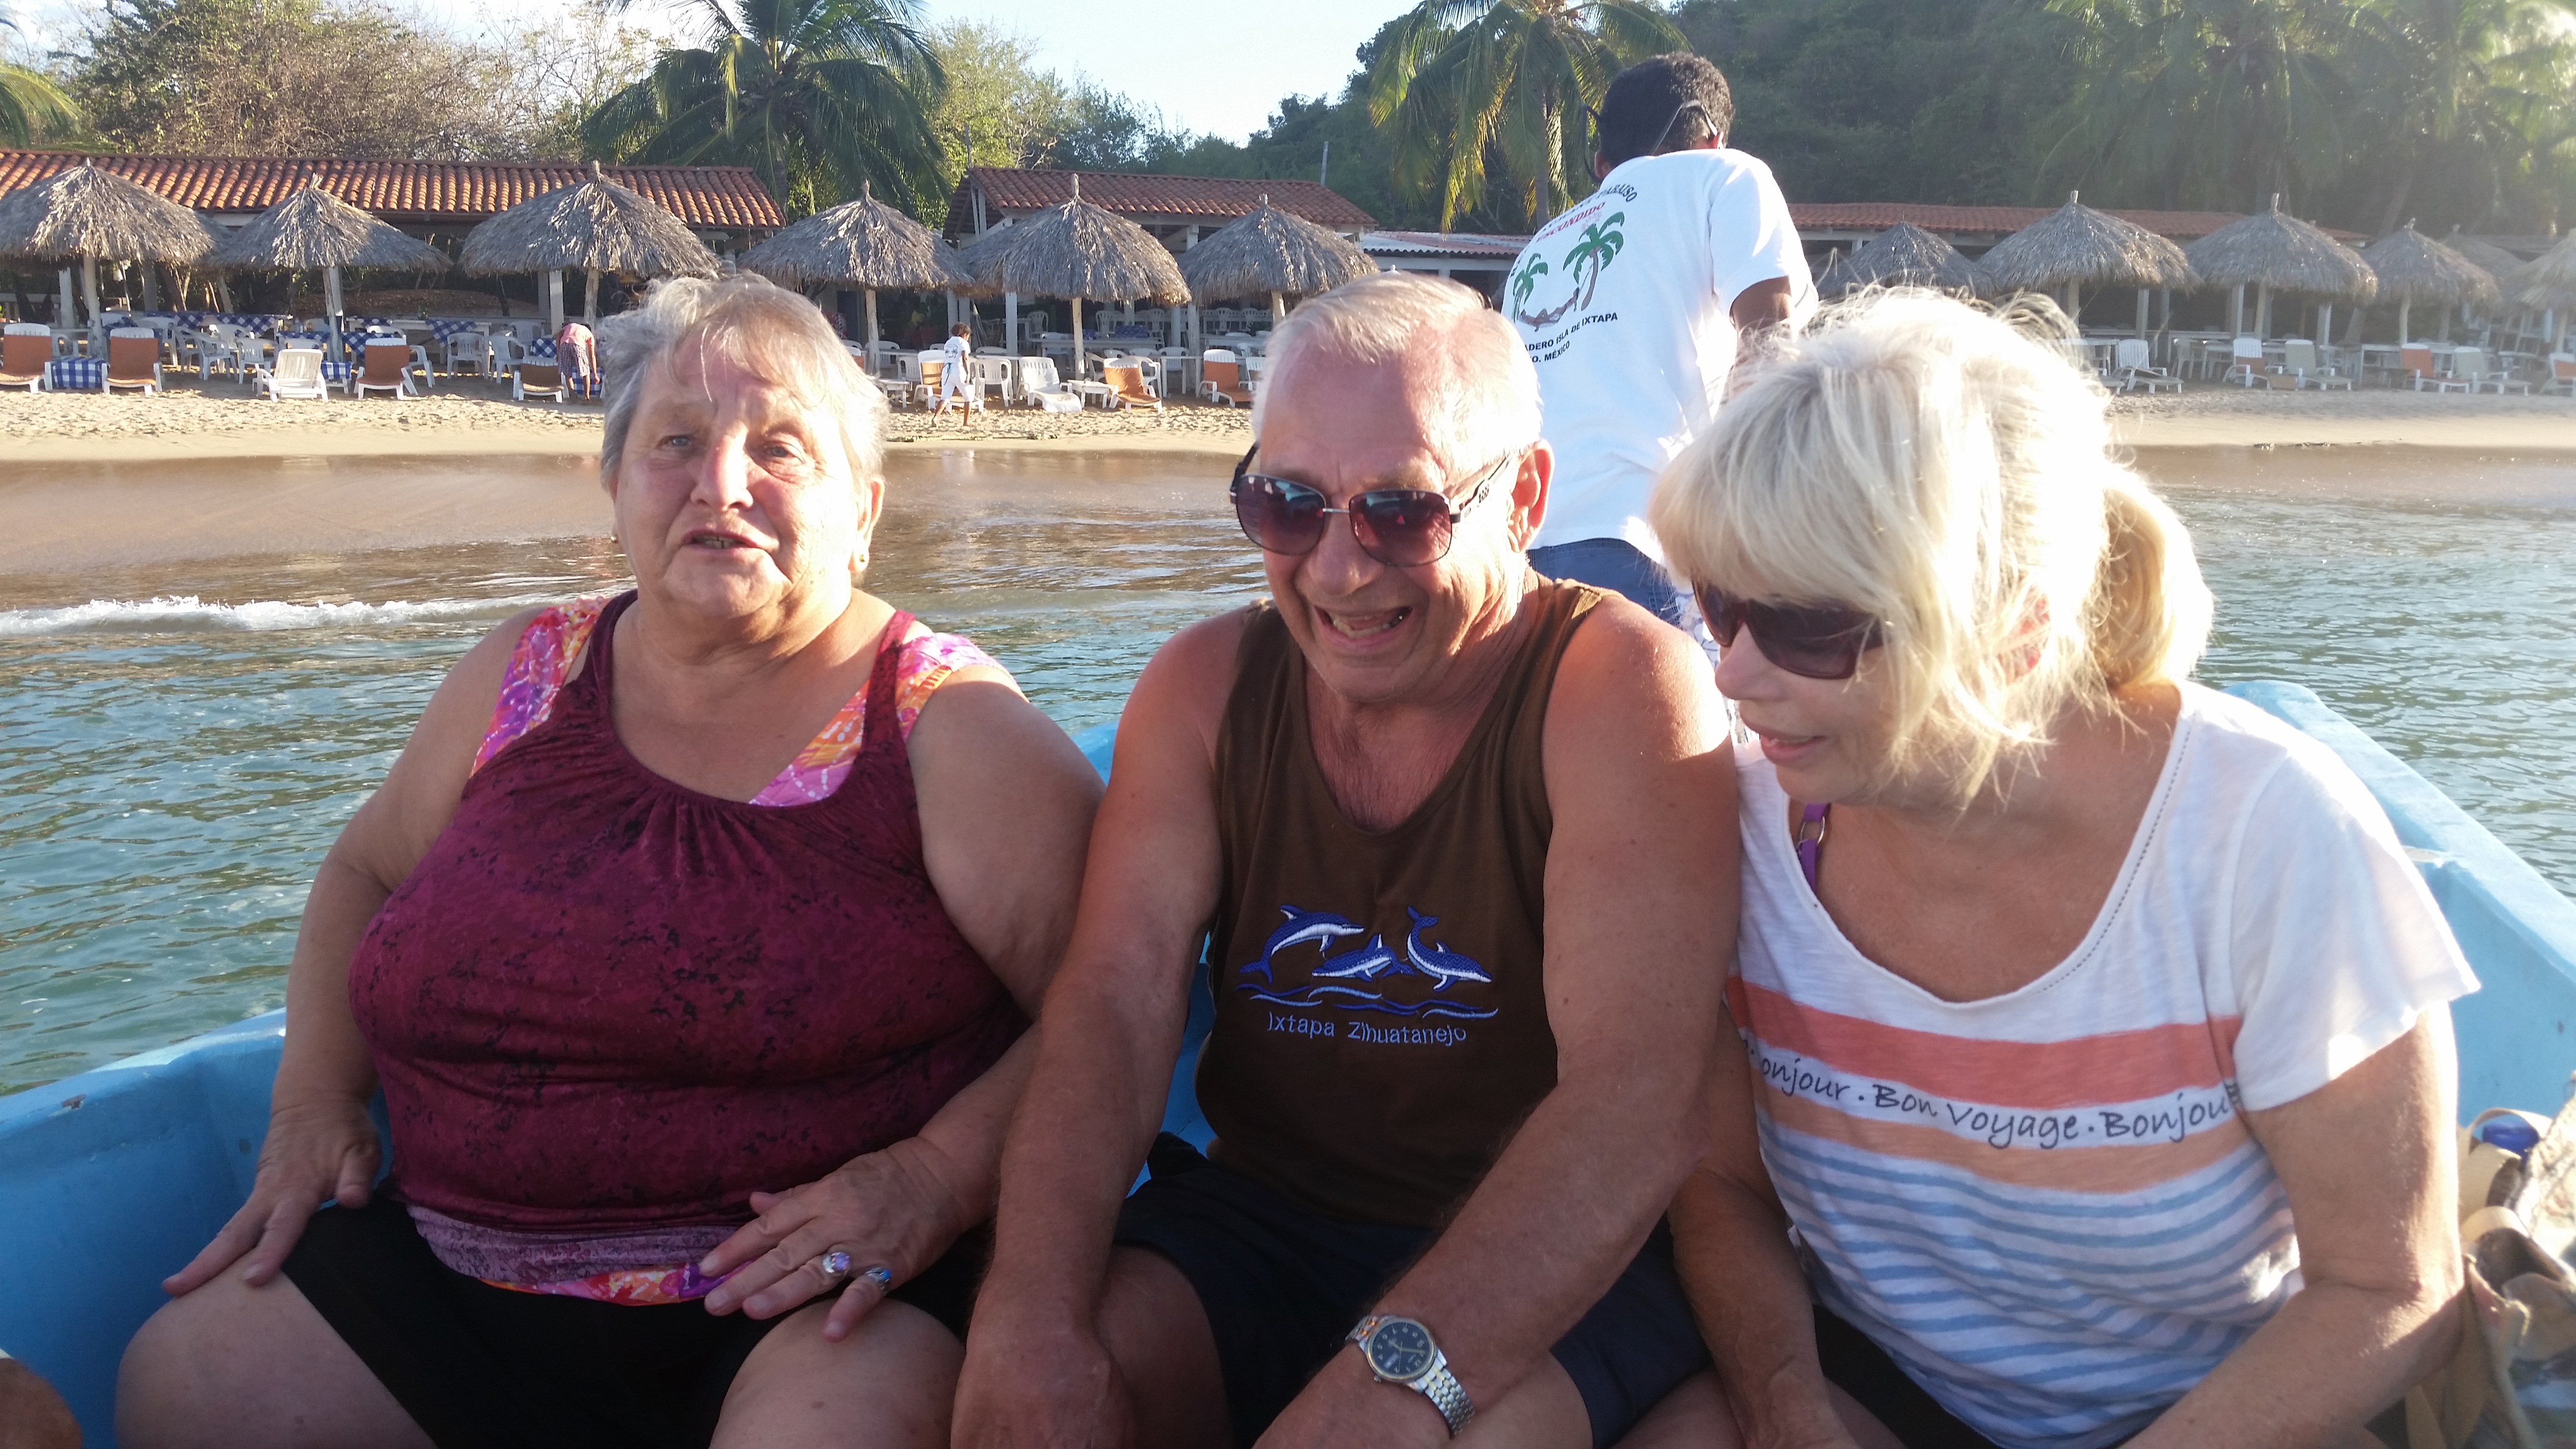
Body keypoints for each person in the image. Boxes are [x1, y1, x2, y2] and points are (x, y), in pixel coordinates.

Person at [115, 274, 1102, 1449]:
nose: (720, 484)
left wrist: (934, 1179)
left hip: (803, 1299)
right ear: (616, 482)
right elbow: (365, 872)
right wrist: (312, 1101)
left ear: (864, 508)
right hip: (449, 1275)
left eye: (779, 450)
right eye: (675, 442)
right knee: (190, 1375)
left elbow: (1109, 1012)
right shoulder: (524, 675)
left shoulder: (948, 725)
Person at [1626, 290, 2474, 1449]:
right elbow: (1721, 1186)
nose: (1729, 674)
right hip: (1882, 1382)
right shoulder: (1741, 828)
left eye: (1805, 627)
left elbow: (2390, 1286)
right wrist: (1788, 1412)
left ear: (2012, 629)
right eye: (1718, 606)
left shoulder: (2260, 837)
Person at [952, 270, 1740, 1449]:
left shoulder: (1615, 690)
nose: (1335, 568)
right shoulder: (1204, 688)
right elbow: (1115, 1003)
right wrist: (1027, 1317)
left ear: (1522, 497)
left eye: (1399, 511)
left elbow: (1632, 1102)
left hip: (1558, 1256)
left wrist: (1374, 1394)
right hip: (1262, 1221)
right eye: (1286, 504)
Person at [1508, 51, 1814, 632]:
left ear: (1603, 164)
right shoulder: (1726, 176)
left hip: (1517, 558)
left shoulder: (1539, 249)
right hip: (1647, 548)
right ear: (1712, 140)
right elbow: (1769, 349)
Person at [936, 322, 976, 421]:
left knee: (945, 397)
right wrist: (968, 373)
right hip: (958, 370)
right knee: (969, 397)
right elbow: (965, 358)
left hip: (947, 371)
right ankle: (966, 422)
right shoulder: (963, 343)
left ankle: (936, 417)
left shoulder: (948, 343)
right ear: (965, 334)